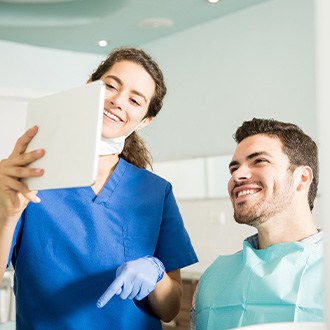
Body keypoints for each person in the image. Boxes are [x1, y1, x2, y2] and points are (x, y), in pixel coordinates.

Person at [0, 47, 198, 329]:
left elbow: (170, 309)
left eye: (134, 100)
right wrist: (6, 211)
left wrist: (157, 275)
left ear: (144, 121)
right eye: (110, 86)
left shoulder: (156, 192)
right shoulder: (29, 175)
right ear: (89, 89)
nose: (118, 101)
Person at [192, 118, 323, 329]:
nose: (237, 175)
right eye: (233, 168)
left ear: (302, 178)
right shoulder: (214, 279)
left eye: (259, 161)